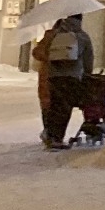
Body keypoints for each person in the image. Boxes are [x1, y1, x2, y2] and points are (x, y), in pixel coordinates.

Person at [37, 15, 94, 148]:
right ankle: (57, 138)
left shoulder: (54, 34)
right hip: (72, 77)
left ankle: (50, 135)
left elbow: (43, 52)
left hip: (53, 76)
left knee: (55, 106)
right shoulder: (82, 36)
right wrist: (86, 75)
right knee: (64, 108)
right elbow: (88, 59)